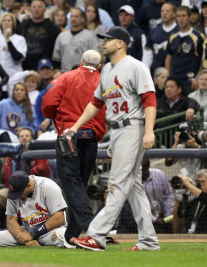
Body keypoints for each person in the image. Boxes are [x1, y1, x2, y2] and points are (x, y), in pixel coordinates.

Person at [68, 27, 160, 251]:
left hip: (133, 127)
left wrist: (149, 131)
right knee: (134, 187)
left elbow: (149, 100)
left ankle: (96, 235)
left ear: (120, 43)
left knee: (117, 183)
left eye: (108, 39)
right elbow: (96, 104)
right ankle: (148, 241)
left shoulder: (136, 66)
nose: (103, 43)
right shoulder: (107, 69)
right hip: (118, 131)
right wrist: (75, 127)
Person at [42, 50, 106, 249]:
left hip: (69, 135)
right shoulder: (104, 80)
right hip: (92, 138)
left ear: (81, 62)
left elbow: (48, 104)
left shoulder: (66, 77)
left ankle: (92, 230)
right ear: (99, 66)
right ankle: (72, 237)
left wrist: (58, 121)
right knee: (80, 184)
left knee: (72, 183)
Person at [0, 128, 50, 230]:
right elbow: (8, 177)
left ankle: (40, 232)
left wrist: (21, 179)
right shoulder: (13, 153)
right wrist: (25, 179)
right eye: (21, 136)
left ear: (32, 138)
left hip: (35, 190)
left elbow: (44, 171)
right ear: (18, 139)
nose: (24, 138)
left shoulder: (38, 152)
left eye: (27, 136)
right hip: (14, 190)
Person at [165, 6, 205, 95]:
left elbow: (203, 59)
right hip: (175, 79)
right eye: (178, 16)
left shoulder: (198, 36)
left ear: (189, 17)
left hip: (190, 79)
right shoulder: (172, 37)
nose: (181, 19)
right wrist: (168, 76)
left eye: (183, 16)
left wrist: (198, 77)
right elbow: (168, 58)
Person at [17, 0, 60, 71]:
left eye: (39, 7)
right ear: (30, 9)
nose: (36, 9)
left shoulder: (52, 27)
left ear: (44, 9)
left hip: (45, 66)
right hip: (26, 65)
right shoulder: (24, 25)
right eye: (34, 7)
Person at [52, 7, 97, 72]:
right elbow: (56, 60)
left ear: (82, 19)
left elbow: (94, 59)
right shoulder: (61, 36)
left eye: (76, 16)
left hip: (83, 74)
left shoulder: (89, 36)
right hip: (64, 74)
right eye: (72, 16)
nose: (73, 19)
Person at [141, 158, 175, 233]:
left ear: (147, 168)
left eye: (142, 170)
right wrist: (154, 219)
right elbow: (138, 206)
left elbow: (169, 195)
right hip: (145, 220)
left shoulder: (159, 175)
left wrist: (167, 215)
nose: (139, 173)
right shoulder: (133, 181)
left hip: (162, 216)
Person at [0, 12, 27, 81]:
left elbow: (18, 58)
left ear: (13, 23)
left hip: (15, 75)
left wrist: (8, 41)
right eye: (4, 21)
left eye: (9, 20)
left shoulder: (20, 39)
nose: (6, 23)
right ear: (0, 23)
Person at [146, 2, 179, 74]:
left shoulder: (180, 31)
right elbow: (148, 55)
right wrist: (145, 71)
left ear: (174, 14)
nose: (164, 13)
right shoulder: (153, 31)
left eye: (167, 11)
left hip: (175, 72)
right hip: (156, 72)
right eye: (162, 11)